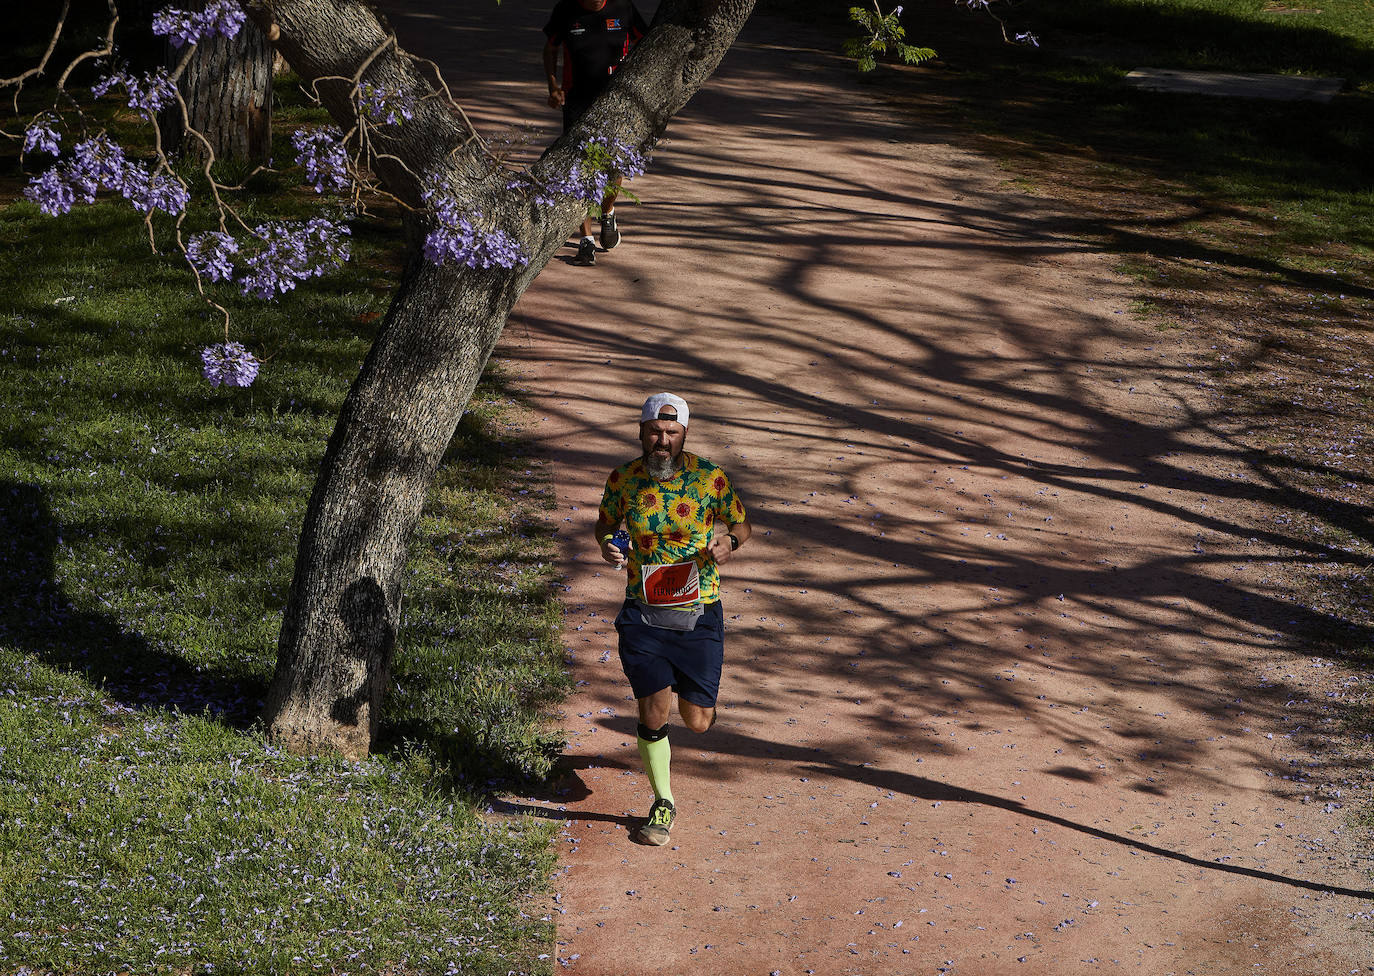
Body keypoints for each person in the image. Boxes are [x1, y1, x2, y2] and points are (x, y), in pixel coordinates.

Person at [593, 393, 752, 845]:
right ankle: (663, 802)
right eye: (655, 432)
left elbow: (742, 524)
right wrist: (607, 543)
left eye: (672, 433)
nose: (663, 440)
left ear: (684, 434)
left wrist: (730, 544)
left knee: (697, 721)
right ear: (641, 432)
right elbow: (604, 524)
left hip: (698, 610)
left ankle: (695, 693)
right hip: (642, 613)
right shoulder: (622, 479)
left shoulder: (710, 479)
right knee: (652, 708)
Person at [542, 0, 648, 266]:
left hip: (617, 102)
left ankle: (608, 210)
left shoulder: (623, 8)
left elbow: (647, 45)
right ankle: (586, 240)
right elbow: (551, 47)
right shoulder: (565, 10)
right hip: (578, 100)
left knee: (614, 166)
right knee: (579, 168)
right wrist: (553, 87)